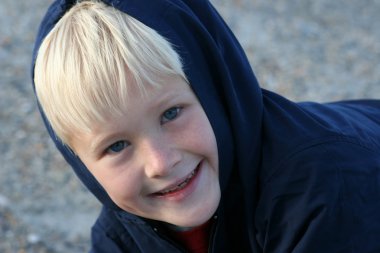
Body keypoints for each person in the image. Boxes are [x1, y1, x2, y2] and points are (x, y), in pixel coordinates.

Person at [31, 0, 380, 252]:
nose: (161, 163)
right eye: (117, 146)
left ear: (217, 92)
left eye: (171, 114)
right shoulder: (120, 238)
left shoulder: (326, 186)